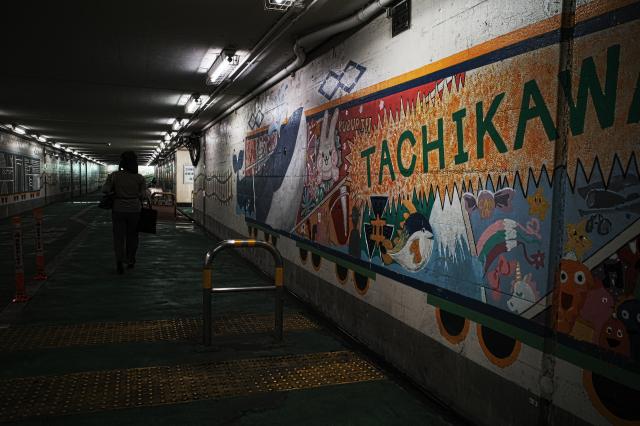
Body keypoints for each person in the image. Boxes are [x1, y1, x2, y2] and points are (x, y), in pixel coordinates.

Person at [102, 151, 146, 274]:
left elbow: (105, 190)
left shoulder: (114, 176)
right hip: (134, 210)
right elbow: (144, 195)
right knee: (133, 236)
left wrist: (114, 191)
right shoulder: (139, 178)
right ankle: (130, 259)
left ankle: (119, 260)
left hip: (118, 209)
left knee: (118, 236)